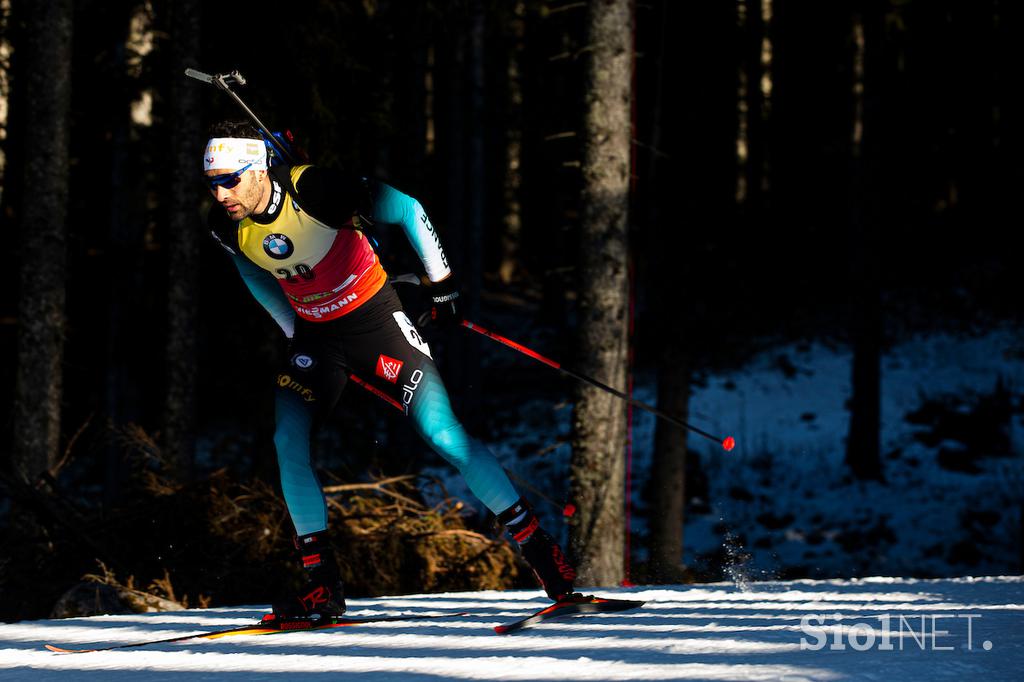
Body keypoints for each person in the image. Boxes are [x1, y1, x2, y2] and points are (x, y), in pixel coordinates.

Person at [203, 120, 576, 618]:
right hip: (317, 336)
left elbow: (407, 209)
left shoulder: (313, 188)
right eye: (212, 182)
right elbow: (251, 271)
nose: (221, 192)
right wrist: (292, 328)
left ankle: (541, 551)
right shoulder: (224, 222)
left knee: (442, 434)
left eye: (230, 179)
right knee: (287, 441)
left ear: (259, 168)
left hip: (376, 320)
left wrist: (441, 284)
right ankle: (323, 585)